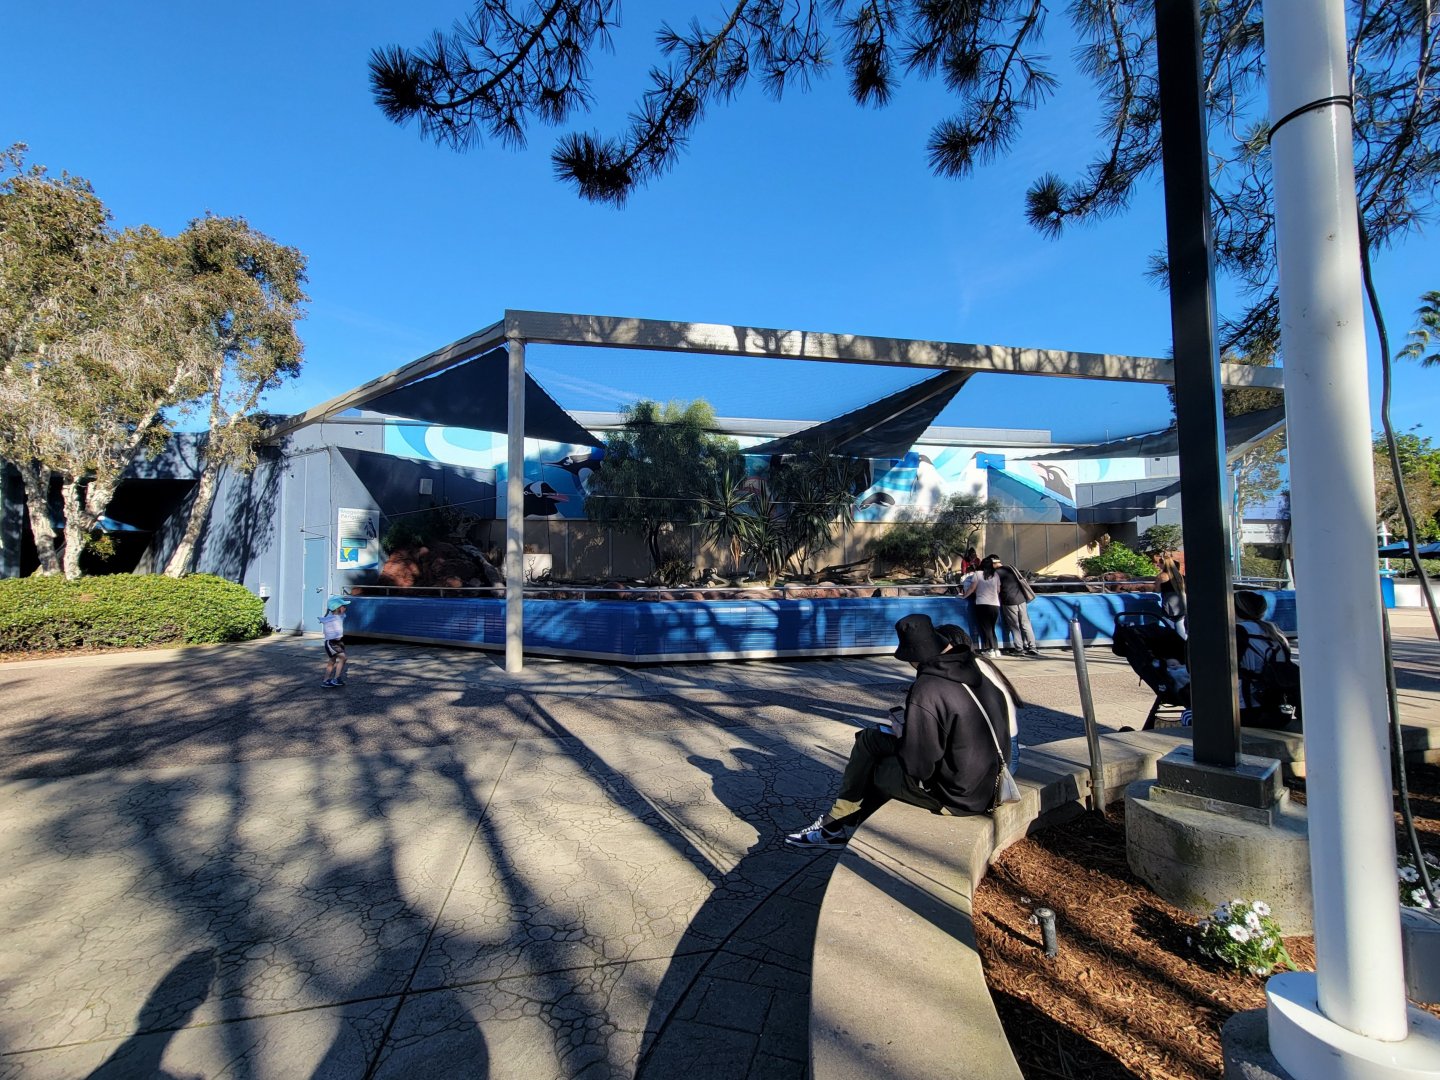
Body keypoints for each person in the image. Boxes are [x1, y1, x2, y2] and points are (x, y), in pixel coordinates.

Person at [785, 613, 1014, 849]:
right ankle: (837, 824)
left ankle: (837, 826)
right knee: (868, 740)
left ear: (914, 657)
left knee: (876, 770)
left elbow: (919, 766)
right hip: (987, 776)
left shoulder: (928, 688)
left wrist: (904, 732)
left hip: (959, 797)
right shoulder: (976, 671)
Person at [1234, 590, 1300, 728]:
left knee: (1190, 716)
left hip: (1246, 710)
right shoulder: (1276, 634)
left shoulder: (1238, 632)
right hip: (1278, 709)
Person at [990, 554, 1039, 656]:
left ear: (993, 563)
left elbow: (996, 589)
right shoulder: (1011, 568)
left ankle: (1019, 649)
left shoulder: (995, 573)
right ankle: (1032, 647)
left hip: (1008, 601)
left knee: (1014, 626)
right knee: (1026, 624)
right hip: (1021, 599)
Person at [961, 555, 1004, 657]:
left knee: (986, 628)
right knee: (992, 628)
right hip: (995, 604)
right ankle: (996, 649)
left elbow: (972, 588)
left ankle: (990, 650)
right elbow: (998, 590)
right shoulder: (995, 575)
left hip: (982, 603)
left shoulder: (978, 574)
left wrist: (964, 596)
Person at [318, 595, 350, 687]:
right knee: (343, 658)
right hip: (331, 643)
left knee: (332, 660)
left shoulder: (340, 615)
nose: (345, 608)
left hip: (338, 642)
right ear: (337, 608)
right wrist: (335, 637)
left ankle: (329, 680)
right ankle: (334, 679)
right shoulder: (329, 619)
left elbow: (341, 615)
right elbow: (327, 631)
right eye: (343, 606)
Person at [1156, 553, 1188, 638]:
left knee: (1167, 624)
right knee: (1180, 624)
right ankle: (1183, 643)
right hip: (1182, 602)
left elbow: (1157, 590)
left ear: (1164, 564)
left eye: (1159, 563)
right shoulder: (1180, 576)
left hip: (1169, 604)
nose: (1158, 565)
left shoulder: (1161, 576)